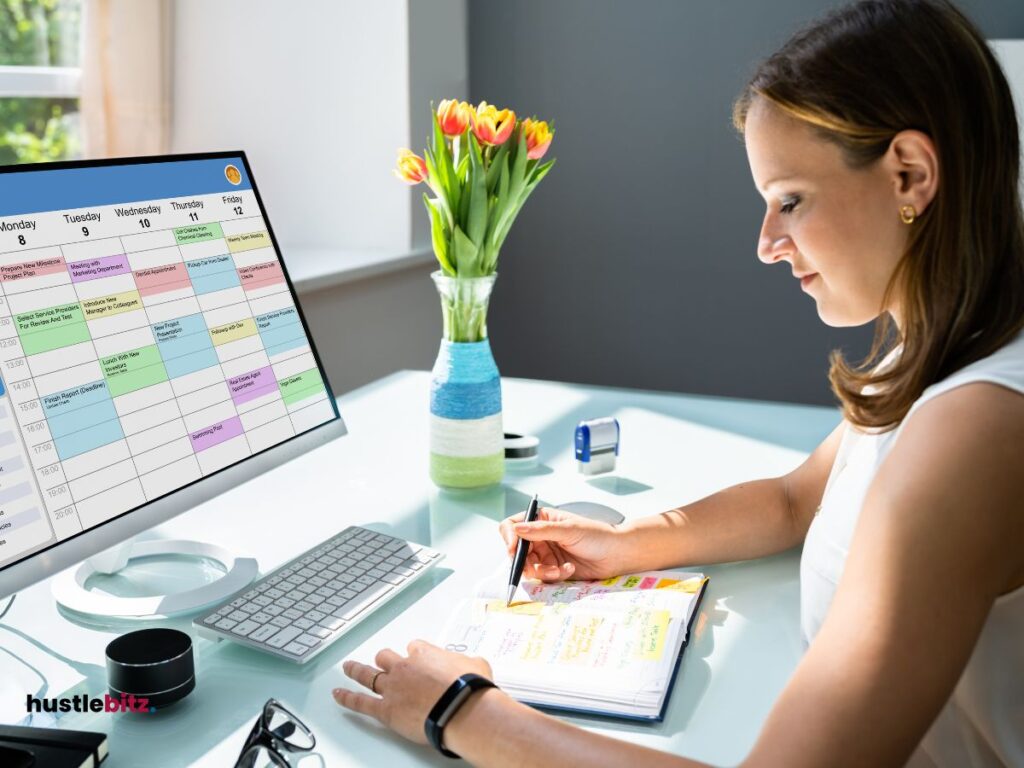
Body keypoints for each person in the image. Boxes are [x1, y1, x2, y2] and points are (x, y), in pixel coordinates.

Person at [332, 1, 1024, 765]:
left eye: (790, 200)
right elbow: (801, 498)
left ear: (910, 174)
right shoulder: (938, 349)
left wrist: (462, 710)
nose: (766, 245)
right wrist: (629, 542)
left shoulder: (978, 427)